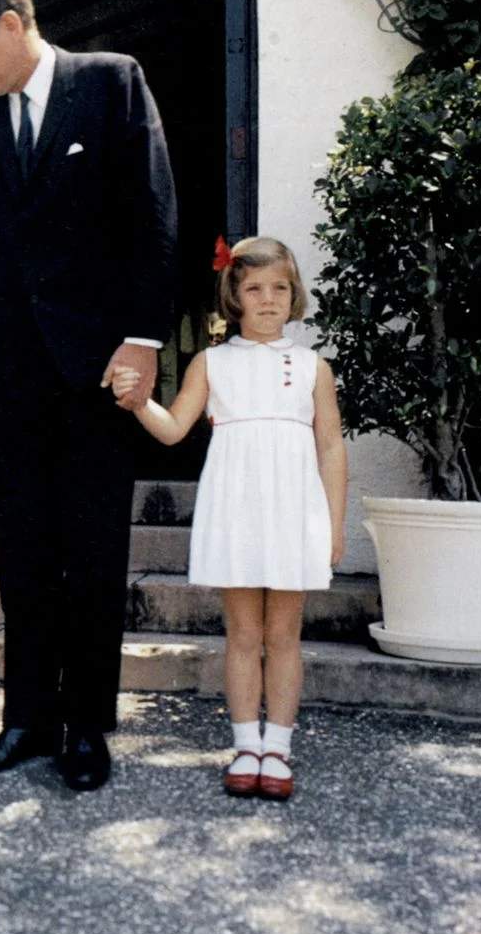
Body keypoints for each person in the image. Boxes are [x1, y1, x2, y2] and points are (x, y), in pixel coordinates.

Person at [0, 0, 177, 793]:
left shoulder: (110, 83)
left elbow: (153, 216)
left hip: (102, 365)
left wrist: (144, 340)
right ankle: (26, 719)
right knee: (25, 547)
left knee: (94, 549)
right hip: (14, 367)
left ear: (9, 24)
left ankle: (86, 728)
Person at [113, 235, 347, 800]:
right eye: (254, 288)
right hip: (238, 508)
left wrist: (334, 525)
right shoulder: (211, 362)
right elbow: (172, 429)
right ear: (234, 296)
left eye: (280, 288)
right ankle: (246, 744)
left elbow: (332, 447)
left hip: (294, 510)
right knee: (243, 634)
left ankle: (279, 748)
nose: (268, 300)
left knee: (284, 634)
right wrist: (138, 400)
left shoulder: (313, 367)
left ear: (295, 296)